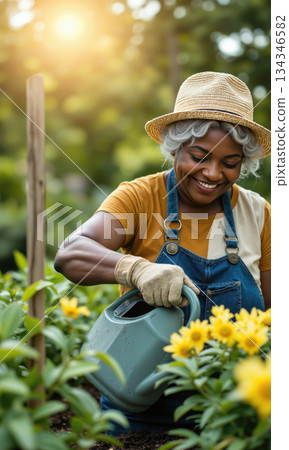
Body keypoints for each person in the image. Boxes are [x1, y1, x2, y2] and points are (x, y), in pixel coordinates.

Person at [54, 71, 271, 434]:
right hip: (136, 419)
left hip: (231, 417)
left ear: (244, 162)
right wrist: (135, 269)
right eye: (199, 156)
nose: (212, 173)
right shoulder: (138, 199)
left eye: (230, 163)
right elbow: (71, 253)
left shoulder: (258, 213)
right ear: (175, 148)